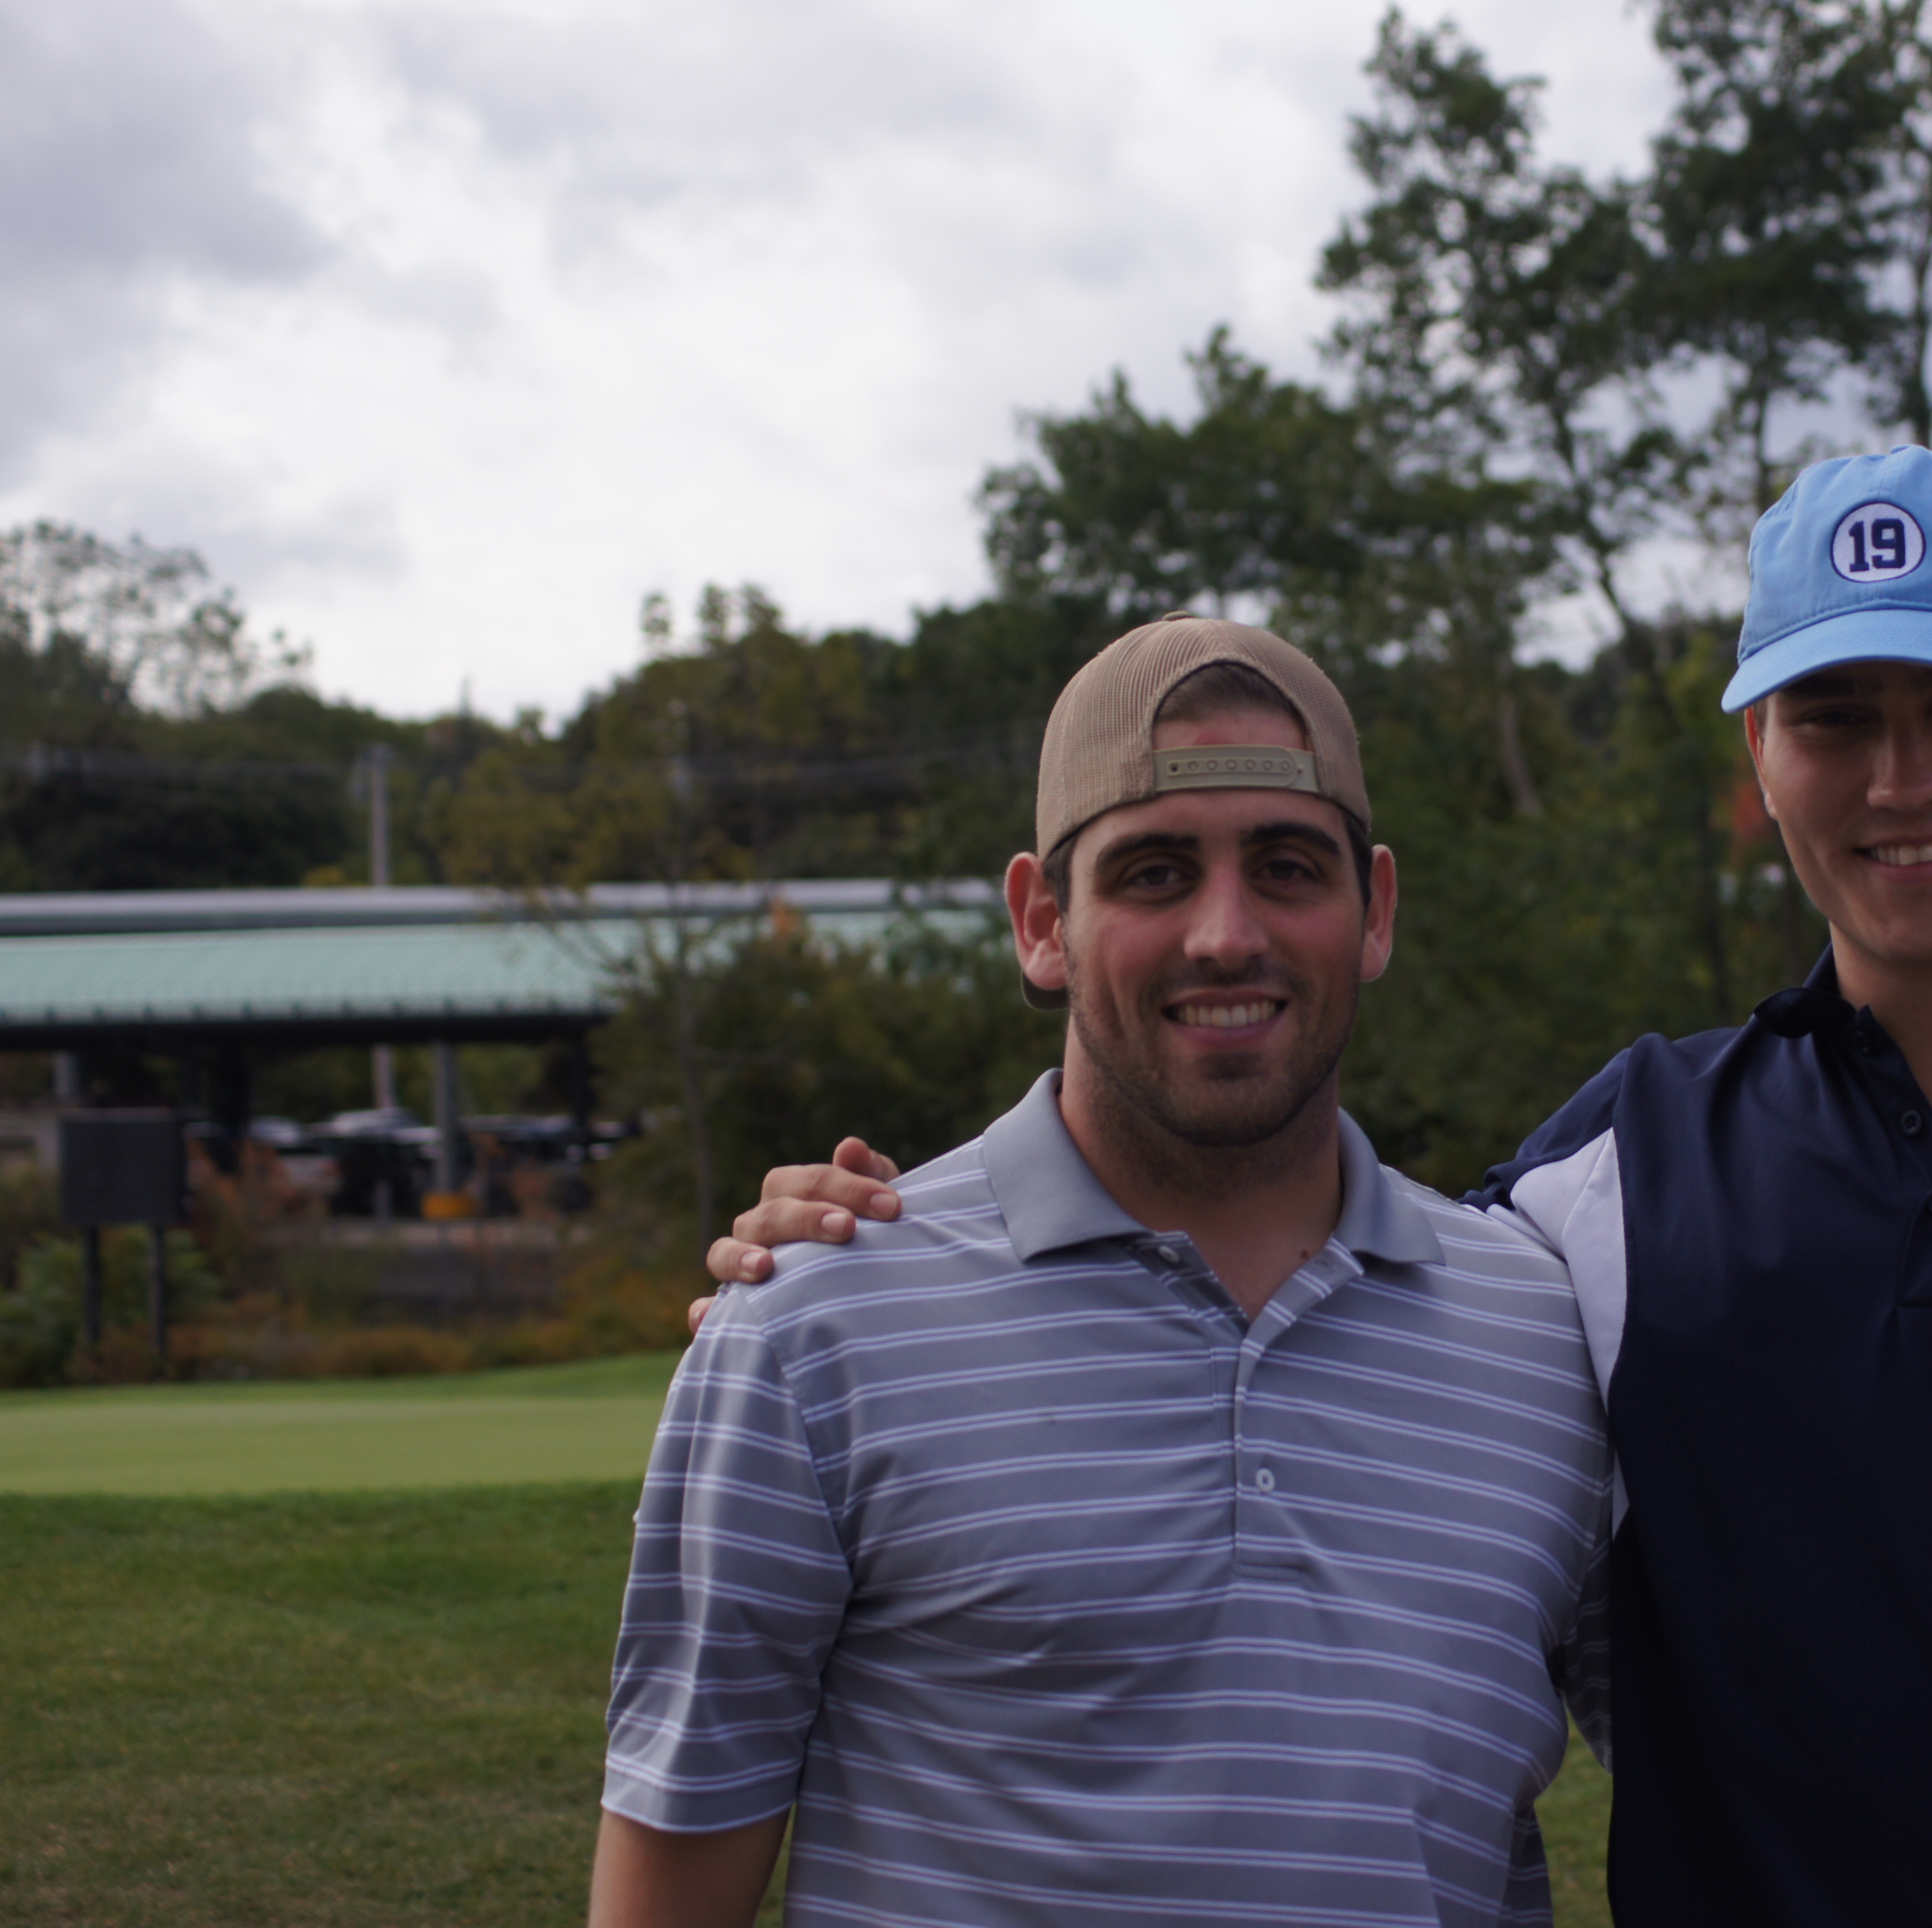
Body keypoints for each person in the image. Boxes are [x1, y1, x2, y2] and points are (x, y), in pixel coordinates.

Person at [712, 449, 1932, 1927]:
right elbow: (1301, 1273)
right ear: (1758, 755)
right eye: (1833, 718)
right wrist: (893, 1244)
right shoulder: (1610, 1176)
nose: (1903, 777)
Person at [597, 616, 1610, 1928]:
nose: (1225, 935)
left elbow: (1740, 1781)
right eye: (1153, 873)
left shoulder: (1546, 1330)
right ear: (1041, 923)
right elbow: (669, 1886)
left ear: (1375, 912)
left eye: (1287, 867)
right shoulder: (815, 1323)